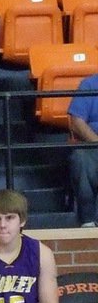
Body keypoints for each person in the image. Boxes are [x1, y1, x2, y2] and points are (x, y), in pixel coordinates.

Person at [67, 71, 98, 227]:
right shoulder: (89, 84)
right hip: (93, 143)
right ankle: (88, 221)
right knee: (81, 158)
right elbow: (77, 121)